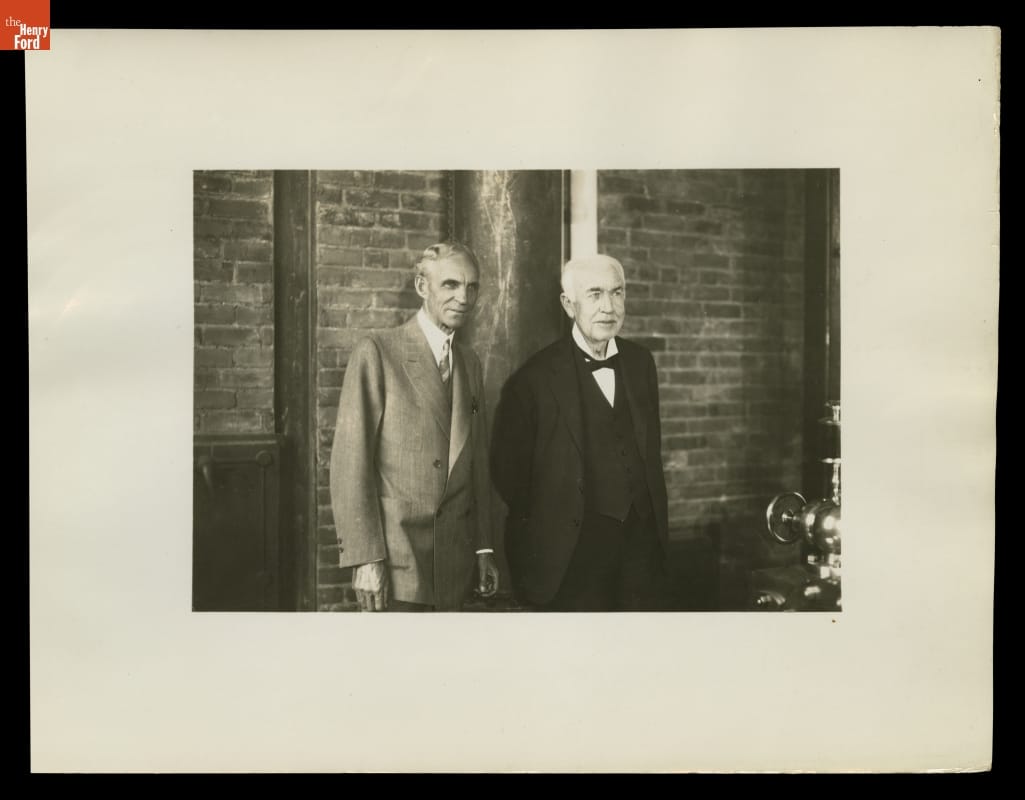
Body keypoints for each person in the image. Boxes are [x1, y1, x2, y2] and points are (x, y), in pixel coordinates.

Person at [492, 253, 670, 612]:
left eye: (617, 293)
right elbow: (509, 477)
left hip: (640, 550)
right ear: (568, 304)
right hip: (573, 556)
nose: (609, 307)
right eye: (595, 294)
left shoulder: (641, 363)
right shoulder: (533, 378)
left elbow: (649, 453)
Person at [330, 242, 500, 612]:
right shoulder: (378, 351)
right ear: (422, 286)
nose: (463, 298)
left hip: (455, 563)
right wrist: (365, 558)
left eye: (472, 287)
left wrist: (483, 548)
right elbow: (350, 464)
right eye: (450, 285)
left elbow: (477, 462)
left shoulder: (469, 362)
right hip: (397, 562)